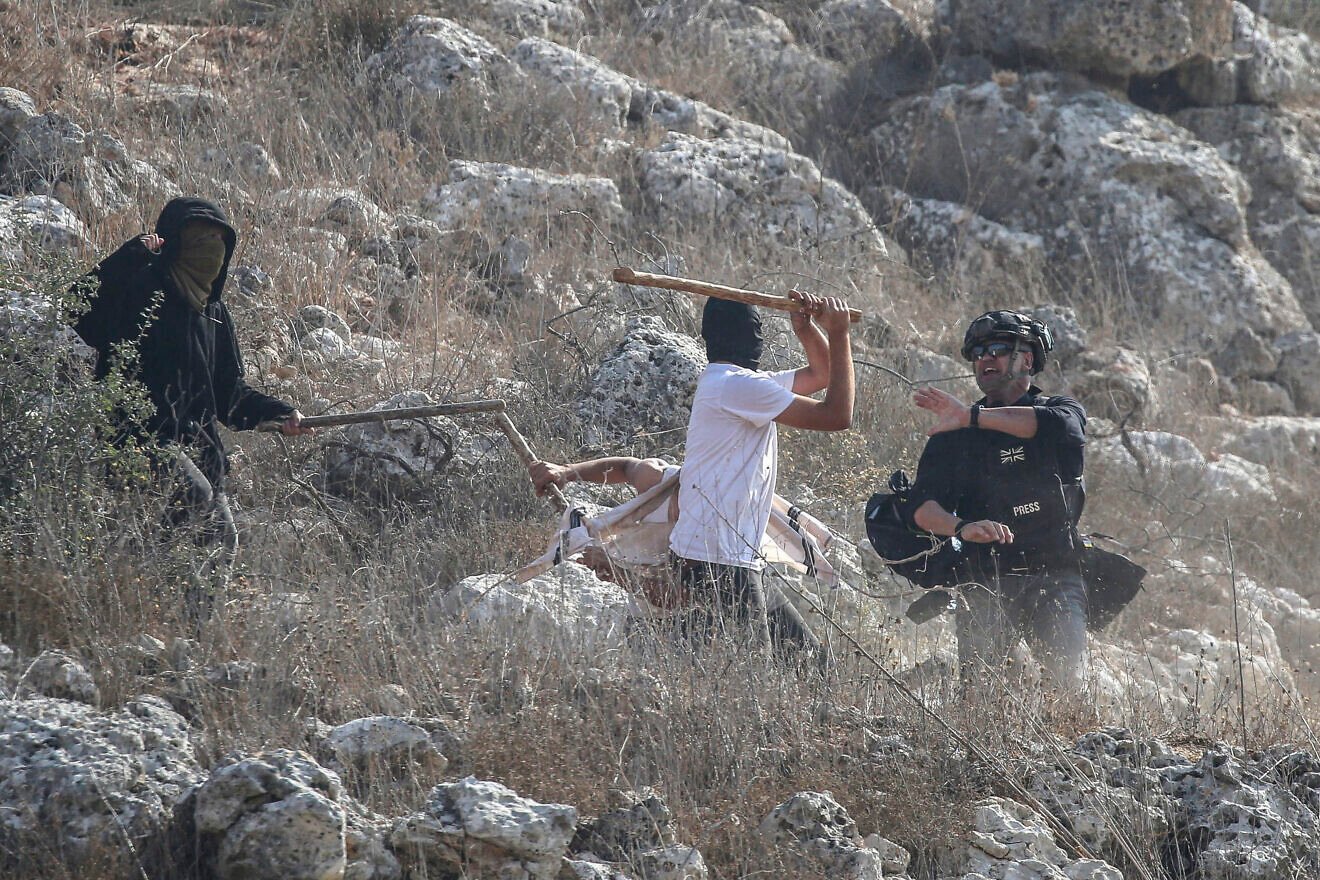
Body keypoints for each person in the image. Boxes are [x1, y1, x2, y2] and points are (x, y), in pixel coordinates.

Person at [72, 197, 311, 576]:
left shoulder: (213, 312)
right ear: (173, 241)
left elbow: (229, 395)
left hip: (196, 449)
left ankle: (183, 630)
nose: (212, 248)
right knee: (200, 509)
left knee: (220, 540)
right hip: (136, 439)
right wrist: (128, 257)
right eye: (202, 237)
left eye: (220, 239)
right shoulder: (141, 288)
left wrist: (278, 413)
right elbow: (78, 312)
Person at [904, 310, 1087, 691]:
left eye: (1000, 348)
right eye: (979, 352)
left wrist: (971, 416)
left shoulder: (1060, 410)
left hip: (1055, 575)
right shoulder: (953, 433)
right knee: (981, 696)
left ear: (1028, 360)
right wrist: (961, 527)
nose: (986, 358)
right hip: (986, 580)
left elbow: (1059, 428)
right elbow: (922, 508)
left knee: (1065, 689)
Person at [666, 290, 854, 658]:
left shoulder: (733, 383)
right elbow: (837, 415)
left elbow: (822, 374)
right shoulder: (737, 386)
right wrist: (839, 334)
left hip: (729, 556)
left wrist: (806, 329)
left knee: (810, 663)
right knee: (755, 676)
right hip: (719, 559)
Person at [527, 455, 825, 661]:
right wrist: (566, 471)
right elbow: (626, 467)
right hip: (659, 623)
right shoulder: (665, 483)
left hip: (734, 584)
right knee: (734, 669)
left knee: (812, 659)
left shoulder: (731, 505)